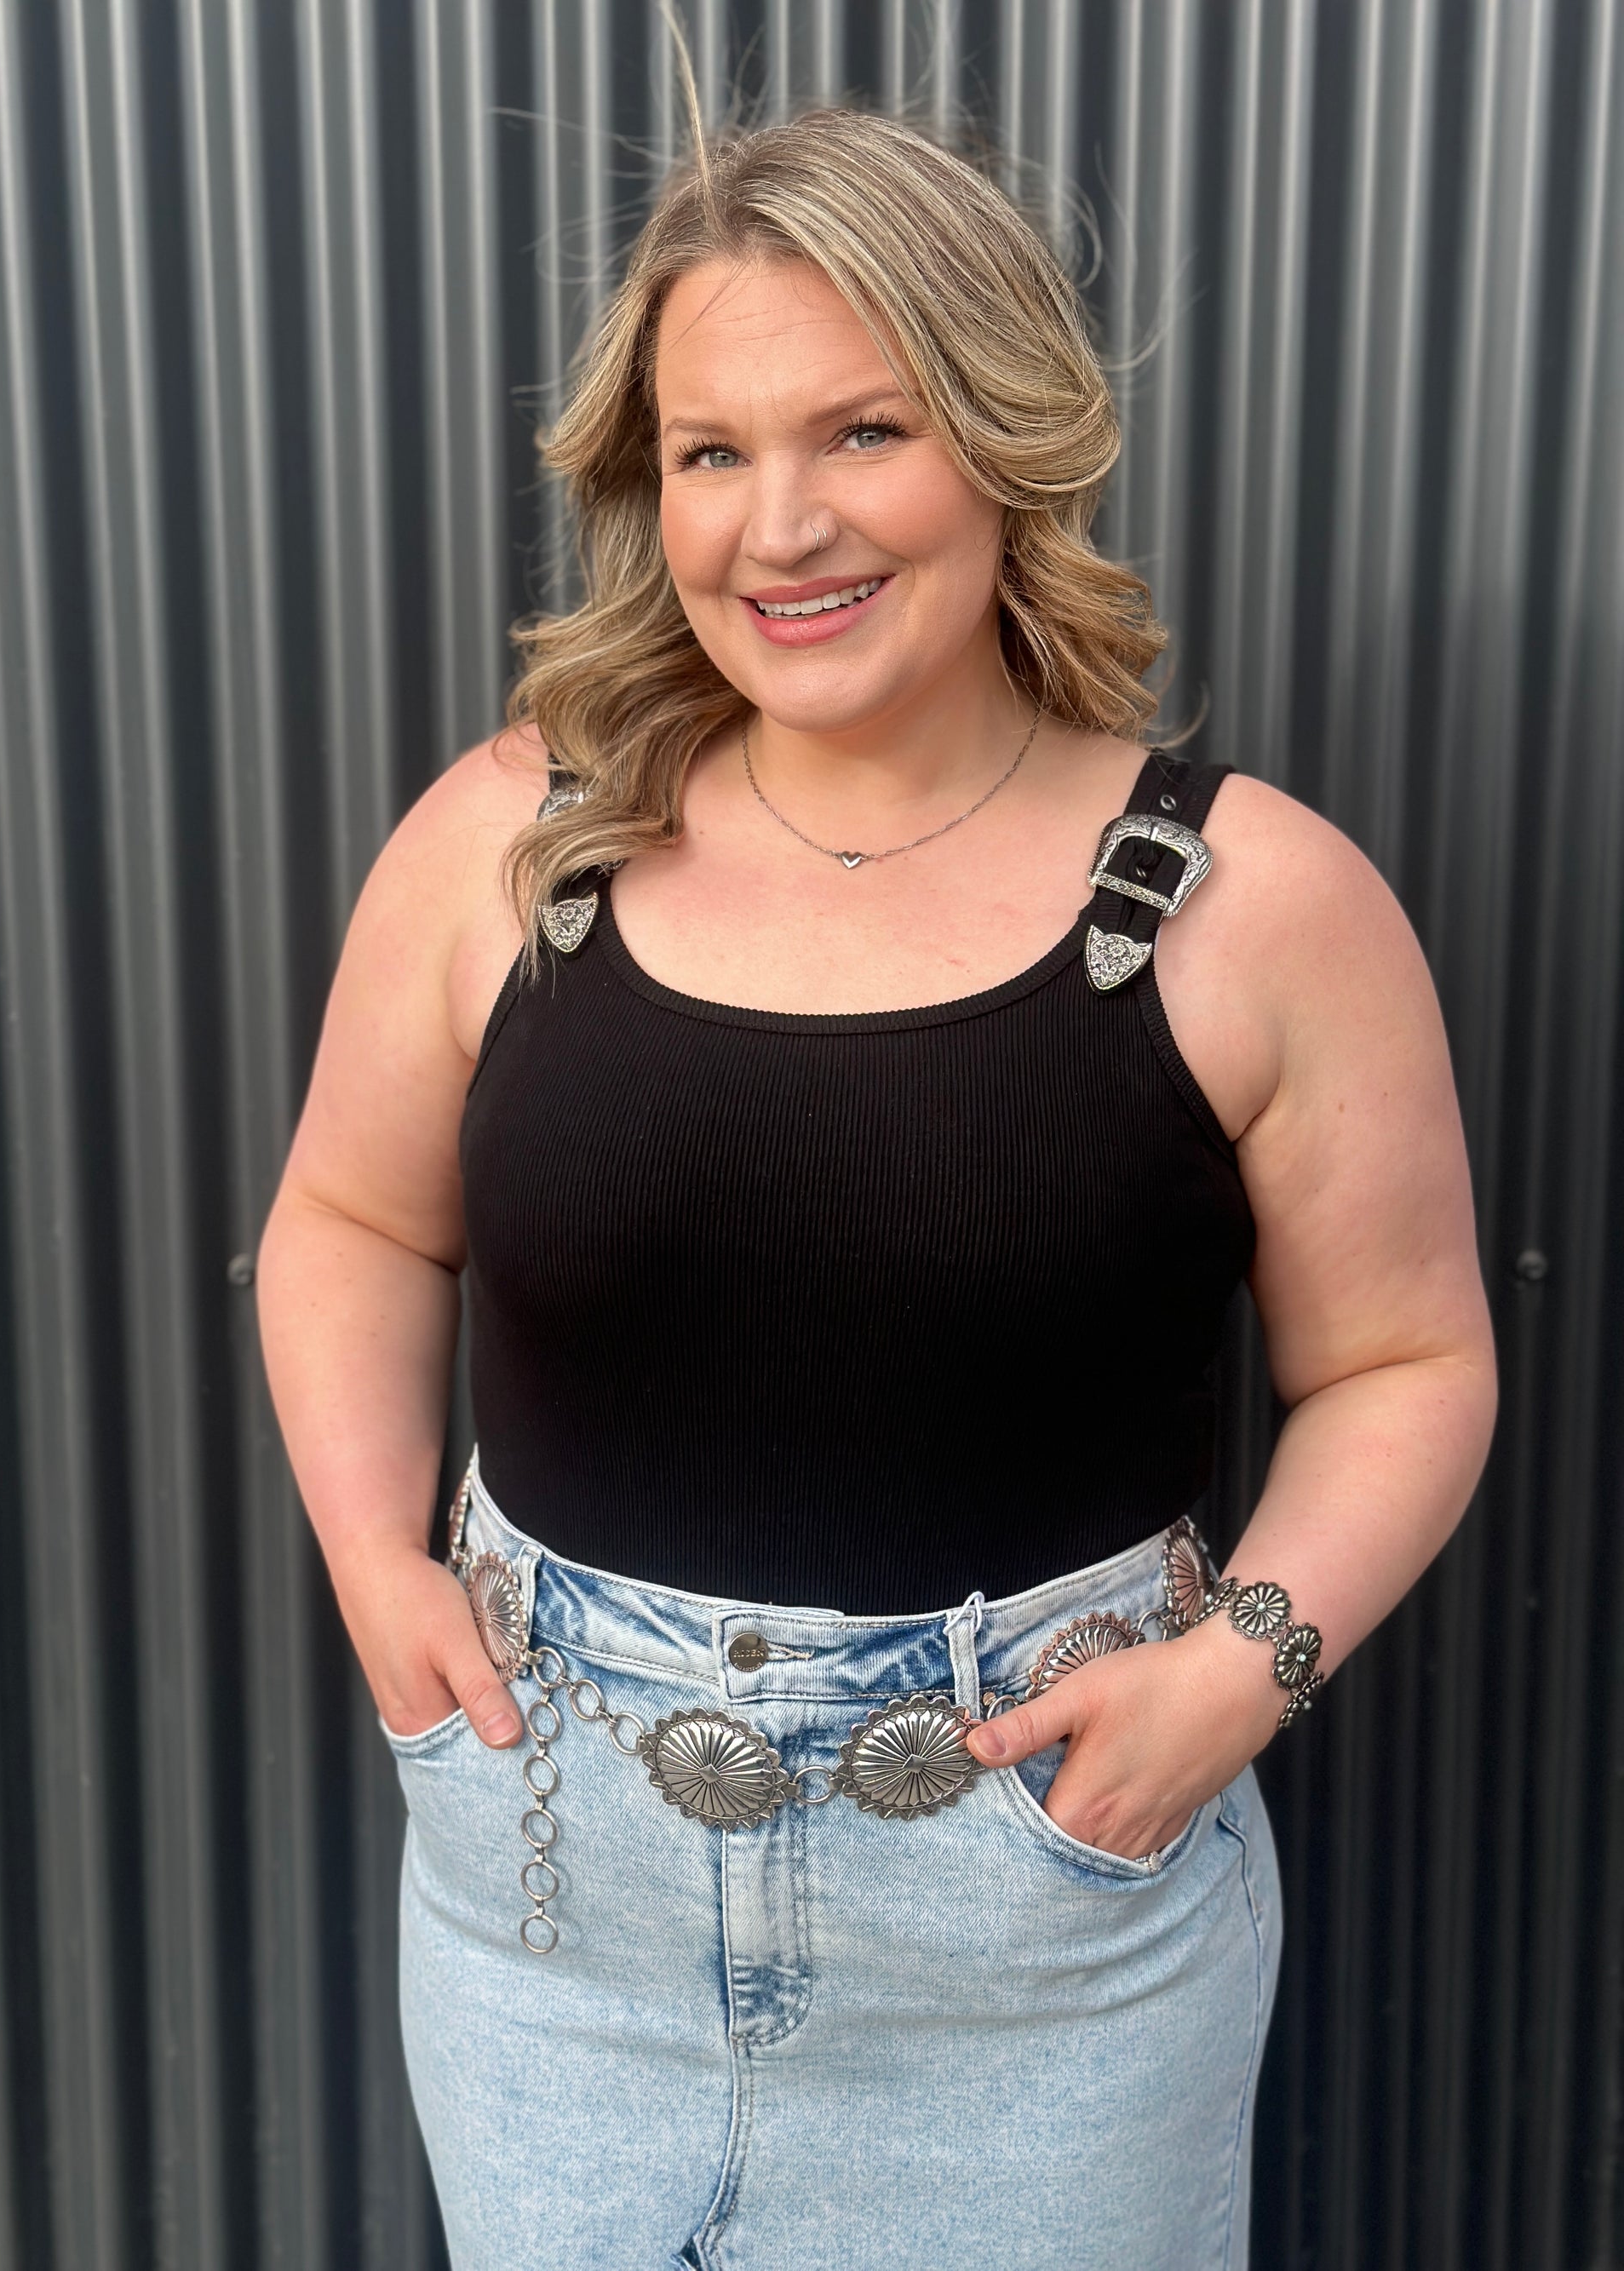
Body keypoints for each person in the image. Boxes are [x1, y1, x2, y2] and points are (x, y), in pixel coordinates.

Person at [257, 103, 1495, 2271]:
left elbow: (1405, 1360)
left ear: (1004, 438)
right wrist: (376, 1563)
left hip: (1034, 1927)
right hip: (553, 1901)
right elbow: (351, 1221)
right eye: (709, 450)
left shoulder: (1249, 905)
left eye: (863, 430)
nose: (780, 525)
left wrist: (1238, 1674)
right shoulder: (515, 843)